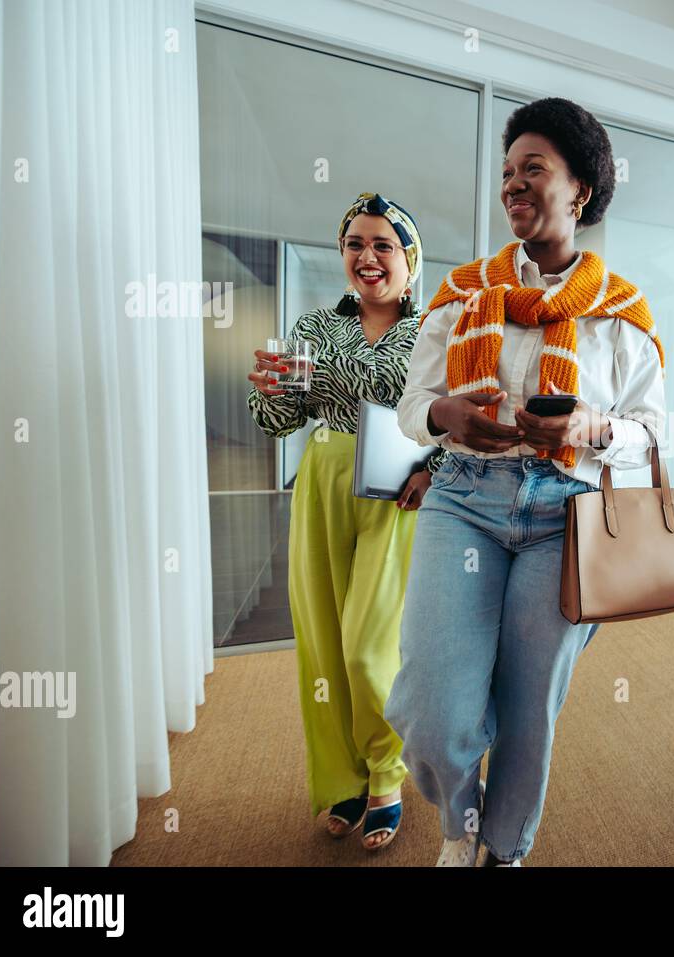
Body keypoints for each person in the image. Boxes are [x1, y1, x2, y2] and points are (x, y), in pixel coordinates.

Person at [387, 98, 666, 866]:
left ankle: (501, 850)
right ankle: (462, 824)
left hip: (566, 514)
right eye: (506, 173)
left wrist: (592, 427)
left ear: (580, 190)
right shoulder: (460, 293)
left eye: (532, 169)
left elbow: (651, 431)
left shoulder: (623, 313)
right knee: (433, 707)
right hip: (465, 500)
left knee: (529, 703)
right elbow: (414, 406)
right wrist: (447, 414)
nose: (513, 184)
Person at [247, 192, 442, 851]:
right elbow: (281, 421)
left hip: (396, 488)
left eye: (383, 245)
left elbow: (437, 409)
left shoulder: (433, 330)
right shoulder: (311, 327)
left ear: (409, 260)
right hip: (325, 476)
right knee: (325, 643)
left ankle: (386, 773)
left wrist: (432, 469)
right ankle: (344, 780)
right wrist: (271, 394)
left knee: (369, 647)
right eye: (355, 244)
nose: (367, 256)